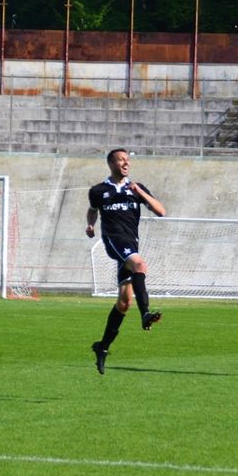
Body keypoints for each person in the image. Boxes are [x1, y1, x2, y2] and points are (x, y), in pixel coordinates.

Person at [86, 148, 166, 374]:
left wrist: (140, 192)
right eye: (121, 160)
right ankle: (145, 314)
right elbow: (92, 210)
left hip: (131, 246)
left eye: (128, 160)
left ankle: (102, 347)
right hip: (114, 241)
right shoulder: (98, 190)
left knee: (124, 302)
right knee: (140, 265)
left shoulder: (136, 189)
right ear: (111, 163)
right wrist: (90, 225)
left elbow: (161, 211)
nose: (125, 163)